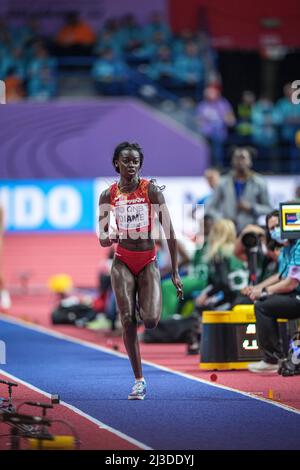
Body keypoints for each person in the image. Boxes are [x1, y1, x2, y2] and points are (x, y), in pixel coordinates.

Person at [98, 142, 183, 400]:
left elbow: (169, 232)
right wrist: (110, 235)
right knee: (127, 320)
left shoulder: (152, 190)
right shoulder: (107, 195)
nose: (131, 165)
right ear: (117, 164)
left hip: (148, 262)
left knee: (151, 321)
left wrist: (176, 272)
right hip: (122, 260)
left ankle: (138, 305)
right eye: (126, 160)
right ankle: (139, 380)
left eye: (135, 161)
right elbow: (102, 239)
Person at [245, 209, 300, 373]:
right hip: (294, 294)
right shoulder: (286, 248)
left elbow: (290, 283)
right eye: (271, 228)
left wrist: (264, 291)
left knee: (262, 305)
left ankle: (272, 359)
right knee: (262, 301)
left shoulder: (298, 246)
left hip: (297, 294)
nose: (274, 230)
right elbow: (281, 276)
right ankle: (275, 357)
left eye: (277, 225)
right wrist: (258, 288)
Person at [206, 146, 272, 233]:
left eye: (243, 158)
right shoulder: (223, 183)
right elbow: (210, 208)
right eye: (237, 158)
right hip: (227, 231)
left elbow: (268, 209)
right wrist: (223, 219)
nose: (240, 162)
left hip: (250, 231)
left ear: (250, 161)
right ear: (232, 161)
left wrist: (252, 208)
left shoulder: (259, 182)